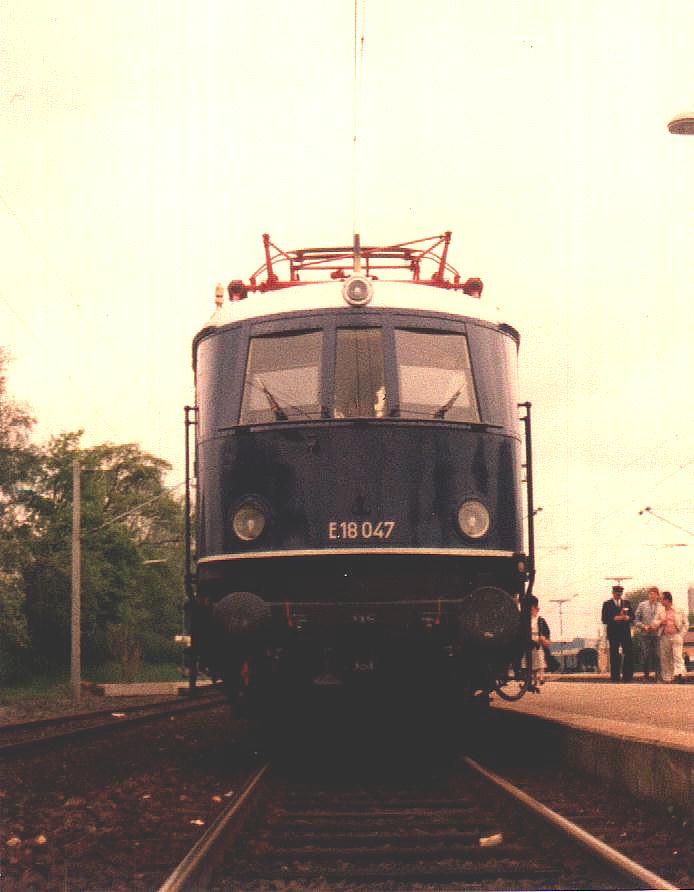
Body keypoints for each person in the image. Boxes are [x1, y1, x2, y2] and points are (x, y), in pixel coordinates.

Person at [601, 585, 634, 682]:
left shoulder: (626, 603)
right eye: (617, 594)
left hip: (625, 632)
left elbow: (633, 616)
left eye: (620, 594)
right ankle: (615, 677)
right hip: (613, 632)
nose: (618, 595)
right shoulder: (607, 604)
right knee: (614, 654)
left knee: (628, 653)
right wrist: (614, 618)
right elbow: (604, 619)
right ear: (613, 593)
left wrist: (628, 618)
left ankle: (627, 677)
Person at [656, 591, 686, 683]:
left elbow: (686, 623)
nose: (660, 601)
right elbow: (654, 622)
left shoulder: (678, 610)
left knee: (677, 656)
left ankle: (679, 674)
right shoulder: (660, 611)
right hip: (664, 636)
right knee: (665, 657)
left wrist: (681, 634)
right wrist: (661, 622)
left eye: (661, 599)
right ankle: (667, 678)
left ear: (667, 600)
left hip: (676, 635)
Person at [521, 595, 550, 687]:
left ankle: (541, 677)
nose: (532, 611)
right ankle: (534, 679)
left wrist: (544, 638)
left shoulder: (540, 620)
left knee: (540, 658)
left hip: (538, 640)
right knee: (531, 661)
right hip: (529, 640)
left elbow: (546, 631)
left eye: (533, 609)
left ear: (537, 609)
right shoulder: (527, 620)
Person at [634, 586, 661, 681]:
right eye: (650, 594)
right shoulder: (642, 605)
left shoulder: (660, 606)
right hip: (645, 634)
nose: (652, 596)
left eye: (654, 594)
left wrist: (657, 626)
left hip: (657, 634)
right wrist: (643, 626)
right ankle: (646, 676)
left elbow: (662, 620)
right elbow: (636, 620)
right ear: (648, 595)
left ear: (657, 595)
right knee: (646, 655)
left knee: (657, 655)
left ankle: (658, 676)